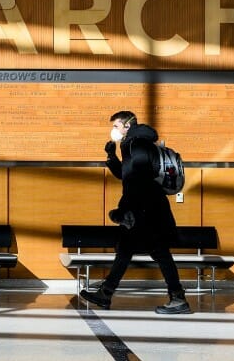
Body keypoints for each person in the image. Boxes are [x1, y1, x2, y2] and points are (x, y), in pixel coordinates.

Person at [79, 111, 191, 314]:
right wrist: (112, 157)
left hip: (146, 209)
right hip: (147, 207)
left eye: (116, 126)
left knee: (160, 253)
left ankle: (178, 298)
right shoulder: (135, 143)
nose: (114, 130)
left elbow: (136, 179)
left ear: (127, 126)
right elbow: (127, 174)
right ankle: (106, 293)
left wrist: (125, 210)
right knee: (126, 250)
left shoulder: (135, 144)